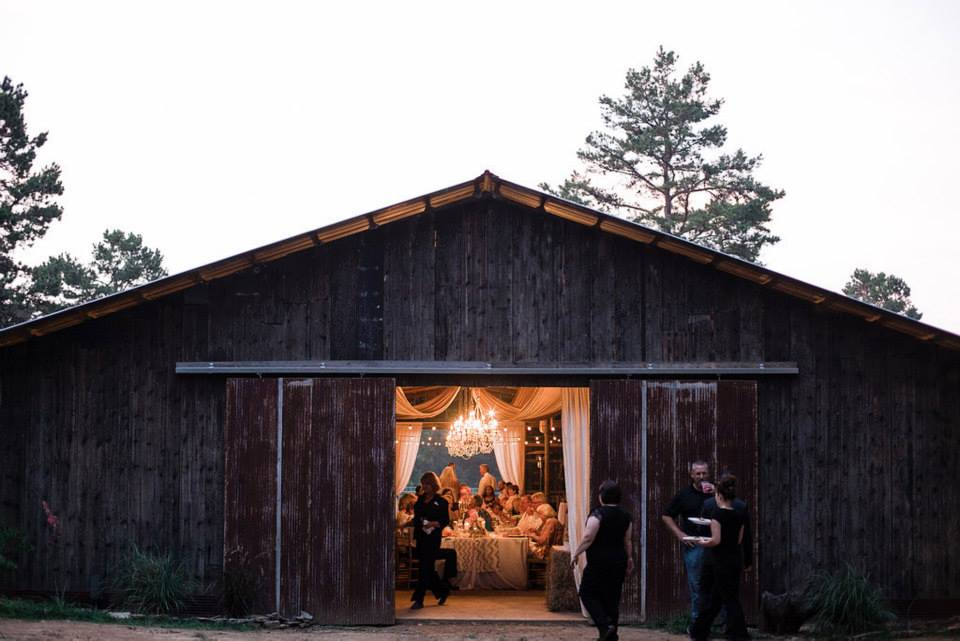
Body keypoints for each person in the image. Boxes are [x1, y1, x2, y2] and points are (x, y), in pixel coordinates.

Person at [689, 473, 752, 641]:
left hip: (719, 561)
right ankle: (699, 631)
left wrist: (702, 542)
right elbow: (740, 540)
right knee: (718, 599)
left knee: (728, 600)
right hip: (734, 560)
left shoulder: (716, 514)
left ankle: (740, 636)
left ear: (719, 495)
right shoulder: (739, 514)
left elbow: (715, 540)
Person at [571, 480, 633, 641]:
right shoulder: (626, 515)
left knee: (586, 592)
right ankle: (610, 635)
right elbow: (628, 540)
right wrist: (630, 558)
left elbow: (588, 537)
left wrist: (576, 553)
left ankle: (605, 625)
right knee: (612, 597)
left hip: (599, 561)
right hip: (618, 559)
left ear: (601, 497)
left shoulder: (597, 514)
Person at [661, 460, 716, 622]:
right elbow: (666, 516)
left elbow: (732, 508)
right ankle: (697, 623)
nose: (701, 476)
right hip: (695, 545)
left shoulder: (717, 492)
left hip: (716, 544)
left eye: (704, 473)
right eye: (697, 473)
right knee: (697, 585)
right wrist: (680, 535)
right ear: (691, 475)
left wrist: (716, 492)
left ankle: (719, 624)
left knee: (717, 585)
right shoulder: (684, 494)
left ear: (709, 474)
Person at [411, 472, 457, 609]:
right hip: (421, 537)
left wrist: (432, 524)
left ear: (433, 485)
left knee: (424, 568)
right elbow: (416, 518)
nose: (424, 487)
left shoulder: (441, 502)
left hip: (432, 539)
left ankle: (418, 599)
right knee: (428, 569)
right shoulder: (419, 500)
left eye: (427, 484)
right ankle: (443, 591)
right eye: (423, 483)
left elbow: (444, 521)